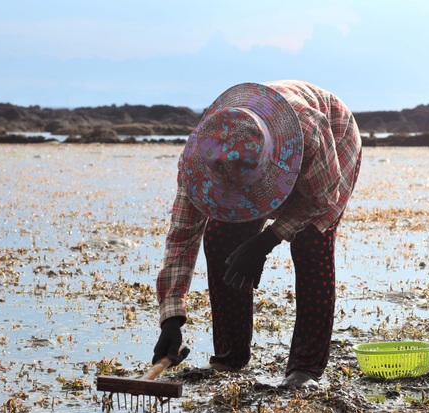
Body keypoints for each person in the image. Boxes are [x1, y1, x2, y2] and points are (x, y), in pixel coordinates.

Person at [152, 80, 362, 389]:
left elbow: (322, 200)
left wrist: (266, 240)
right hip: (255, 159)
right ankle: (230, 357)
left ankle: (306, 367)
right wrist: (171, 317)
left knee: (311, 244)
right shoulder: (201, 157)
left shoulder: (311, 131)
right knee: (221, 240)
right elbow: (182, 237)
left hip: (334, 138)